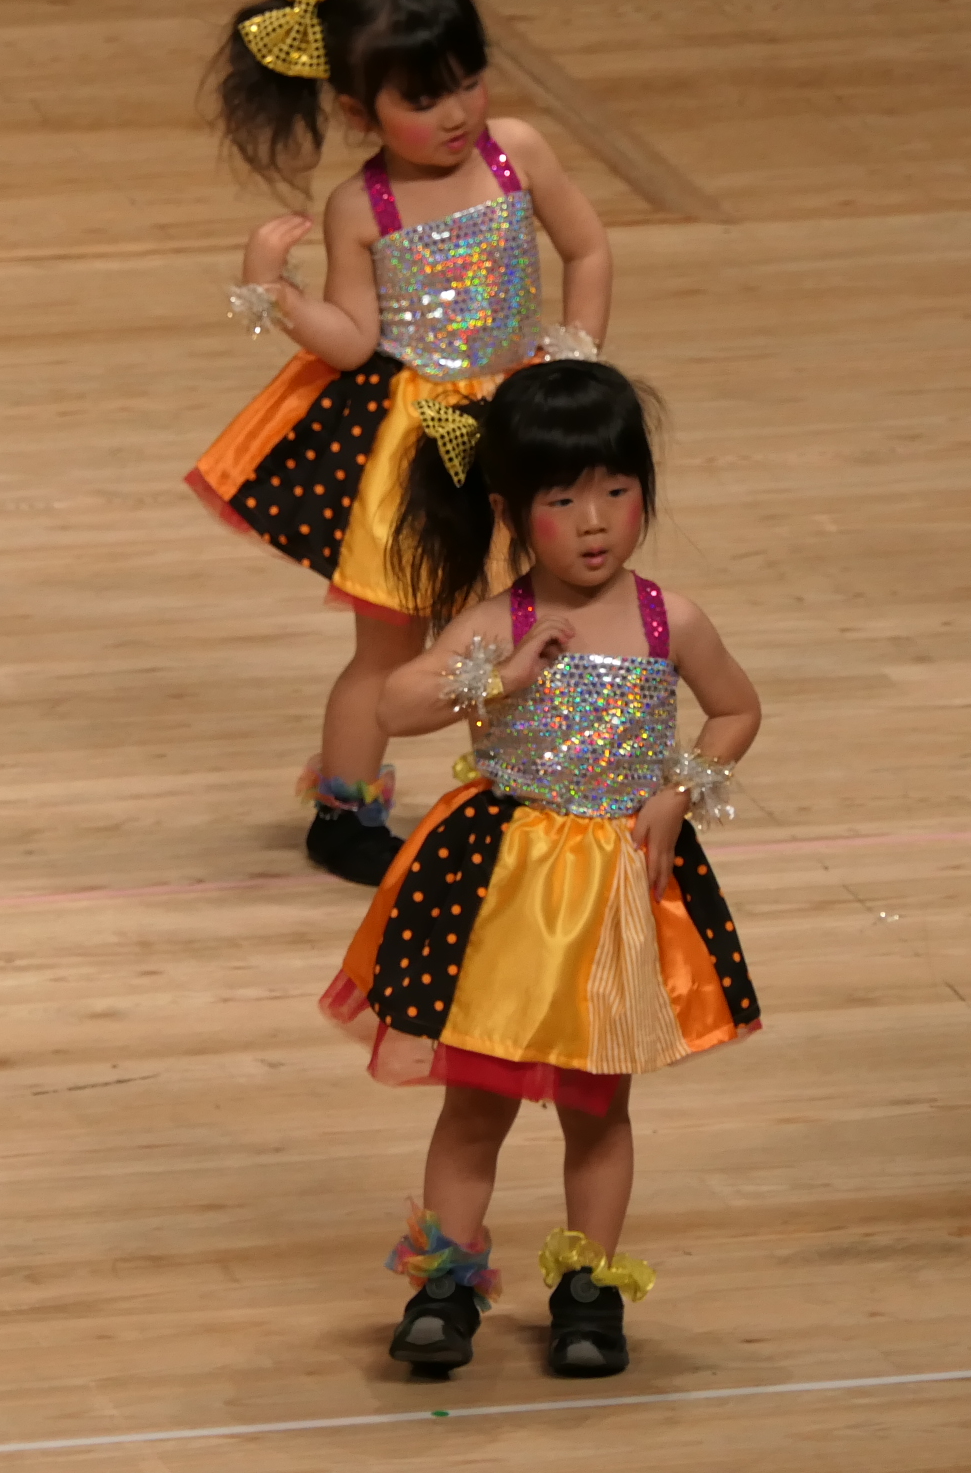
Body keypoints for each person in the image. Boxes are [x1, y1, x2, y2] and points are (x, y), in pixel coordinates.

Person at [318, 361, 762, 1380]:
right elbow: (393, 705)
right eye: (562, 500)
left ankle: (588, 1289)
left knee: (597, 1108)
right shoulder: (495, 626)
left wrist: (678, 793)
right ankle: (444, 1285)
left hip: (615, 895)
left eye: (616, 490)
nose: (595, 521)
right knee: (475, 1105)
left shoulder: (673, 621)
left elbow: (737, 710)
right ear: (511, 512)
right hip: (505, 903)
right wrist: (501, 679)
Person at [189, 0, 613, 886]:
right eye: (424, 98)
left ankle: (533, 786)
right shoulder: (362, 206)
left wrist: (577, 359)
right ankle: (344, 812)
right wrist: (278, 293)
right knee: (390, 645)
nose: (457, 112)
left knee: (541, 617)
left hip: (521, 426)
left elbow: (587, 250)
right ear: (357, 111)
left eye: (468, 81)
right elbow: (352, 341)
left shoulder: (519, 152)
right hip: (421, 448)